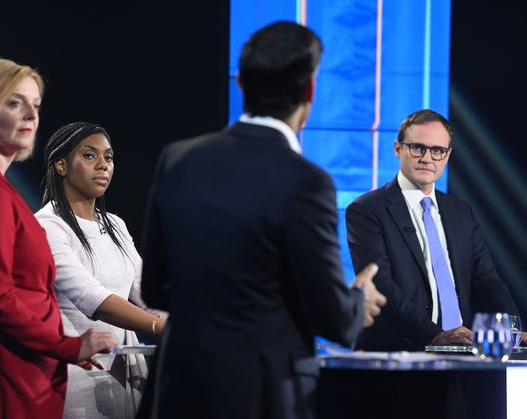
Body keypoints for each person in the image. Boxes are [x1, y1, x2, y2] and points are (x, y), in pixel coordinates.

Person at [138, 21, 387, 419]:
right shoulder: (306, 181)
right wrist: (359, 301)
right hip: (261, 396)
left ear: (241, 84)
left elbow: (155, 288)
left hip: (176, 389)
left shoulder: (178, 158)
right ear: (309, 90)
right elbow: (331, 316)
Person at [0, 58, 116, 419]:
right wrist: (69, 346)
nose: (30, 115)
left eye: (35, 105)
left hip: (22, 368)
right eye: (15, 103)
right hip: (7, 371)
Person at [346, 109, 519, 351]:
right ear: (398, 149)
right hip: (400, 354)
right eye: (418, 148)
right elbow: (382, 286)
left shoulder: (460, 211)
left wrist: (512, 330)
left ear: (447, 155)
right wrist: (435, 336)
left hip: (463, 350)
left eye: (437, 151)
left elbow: (487, 279)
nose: (428, 158)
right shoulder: (366, 210)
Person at [35, 122, 167, 419]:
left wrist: (187, 324)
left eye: (108, 157)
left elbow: (147, 293)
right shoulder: (47, 224)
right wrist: (160, 327)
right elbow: (92, 298)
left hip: (127, 375)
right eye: (89, 156)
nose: (102, 166)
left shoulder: (115, 224)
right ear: (61, 165)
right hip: (76, 376)